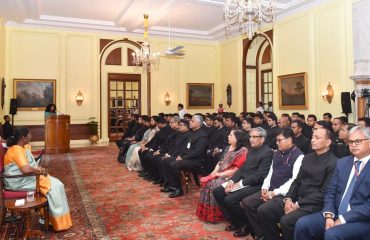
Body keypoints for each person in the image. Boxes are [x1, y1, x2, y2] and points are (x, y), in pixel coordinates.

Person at [258, 128, 337, 240]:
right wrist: (288, 199)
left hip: (313, 203)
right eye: (312, 137)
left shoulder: (333, 163)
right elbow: (296, 181)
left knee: (286, 221)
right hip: (296, 198)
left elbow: (324, 193)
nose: (313, 140)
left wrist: (298, 204)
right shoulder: (308, 157)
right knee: (264, 210)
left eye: (317, 138)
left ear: (328, 142)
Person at [295, 126, 370, 240]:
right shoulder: (343, 163)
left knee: (332, 234)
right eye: (350, 142)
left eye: (358, 141)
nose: (353, 145)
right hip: (335, 213)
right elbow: (330, 191)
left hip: (361, 219)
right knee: (303, 223)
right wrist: (329, 214)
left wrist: (344, 218)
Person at [3, 127, 72, 231]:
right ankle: (58, 221)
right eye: (29, 134)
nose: (31, 136)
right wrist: (39, 171)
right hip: (18, 182)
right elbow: (26, 169)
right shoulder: (17, 149)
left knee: (56, 183)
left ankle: (50, 218)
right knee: (56, 186)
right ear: (23, 137)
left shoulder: (19, 148)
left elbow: (26, 166)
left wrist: (36, 169)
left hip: (22, 179)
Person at [241, 127, 304, 239]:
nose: (277, 143)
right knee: (247, 202)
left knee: (264, 209)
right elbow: (270, 173)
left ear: (289, 140)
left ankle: (272, 236)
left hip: (285, 195)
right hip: (271, 190)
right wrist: (265, 188)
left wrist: (273, 193)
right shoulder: (277, 153)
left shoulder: (299, 156)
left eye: (280, 140)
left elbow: (294, 181)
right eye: (276, 140)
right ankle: (262, 234)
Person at [213, 127, 273, 236]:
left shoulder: (267, 153)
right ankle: (236, 221)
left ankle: (247, 224)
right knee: (217, 192)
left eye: (255, 137)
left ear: (262, 139)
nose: (251, 139)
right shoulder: (250, 150)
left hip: (255, 185)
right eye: (250, 136)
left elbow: (260, 176)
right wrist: (232, 181)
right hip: (243, 181)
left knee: (230, 200)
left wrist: (239, 184)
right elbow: (242, 168)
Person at [196, 129, 248, 222]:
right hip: (222, 172)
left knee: (213, 183)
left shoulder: (243, 151)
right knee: (208, 181)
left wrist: (219, 174)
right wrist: (213, 173)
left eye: (231, 135)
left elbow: (235, 170)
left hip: (233, 176)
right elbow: (220, 162)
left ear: (238, 138)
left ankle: (220, 214)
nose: (228, 136)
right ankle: (209, 214)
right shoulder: (228, 147)